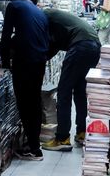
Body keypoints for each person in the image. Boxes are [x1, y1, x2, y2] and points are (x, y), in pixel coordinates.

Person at [0, 0, 49, 161]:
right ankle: (34, 144)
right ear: (36, 0)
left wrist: (4, 62)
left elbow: (6, 35)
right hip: (39, 61)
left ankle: (34, 149)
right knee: (34, 101)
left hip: (24, 61)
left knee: (24, 102)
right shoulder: (41, 14)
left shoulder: (15, 6)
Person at [42, 8, 101, 151]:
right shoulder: (54, 20)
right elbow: (53, 47)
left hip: (80, 46)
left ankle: (62, 138)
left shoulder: (44, 15)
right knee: (80, 91)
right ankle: (82, 132)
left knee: (64, 92)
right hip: (94, 46)